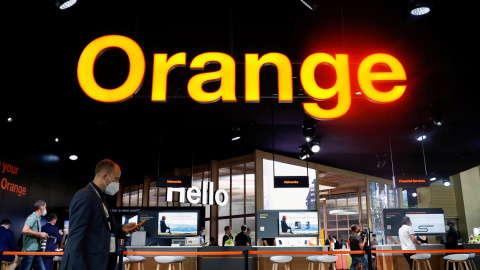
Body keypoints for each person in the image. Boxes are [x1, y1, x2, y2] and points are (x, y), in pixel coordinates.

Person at [59, 159, 139, 270]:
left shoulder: (101, 198)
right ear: (105, 175)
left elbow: (101, 230)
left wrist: (122, 229)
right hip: (86, 265)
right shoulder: (85, 196)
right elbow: (76, 239)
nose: (118, 183)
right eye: (116, 179)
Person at [18, 200, 50, 270]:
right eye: (45, 207)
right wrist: (40, 234)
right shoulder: (33, 217)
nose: (45, 209)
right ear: (41, 208)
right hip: (30, 250)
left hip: (36, 250)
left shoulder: (38, 218)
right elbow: (25, 230)